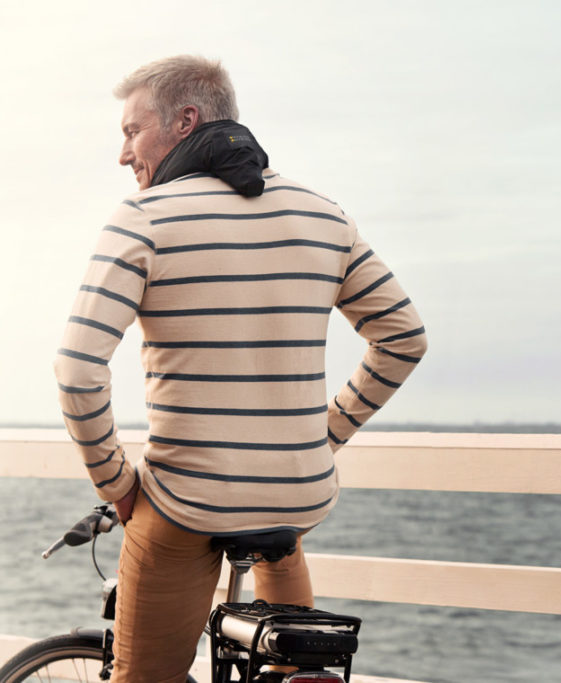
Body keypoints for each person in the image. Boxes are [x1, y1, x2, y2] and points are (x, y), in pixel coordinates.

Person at [53, 55, 427, 682]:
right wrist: (323, 436)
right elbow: (403, 337)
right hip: (295, 495)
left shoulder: (143, 218)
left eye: (131, 132)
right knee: (293, 669)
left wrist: (115, 484)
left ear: (185, 121)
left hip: (188, 499)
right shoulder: (323, 214)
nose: (124, 155)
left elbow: (77, 368)